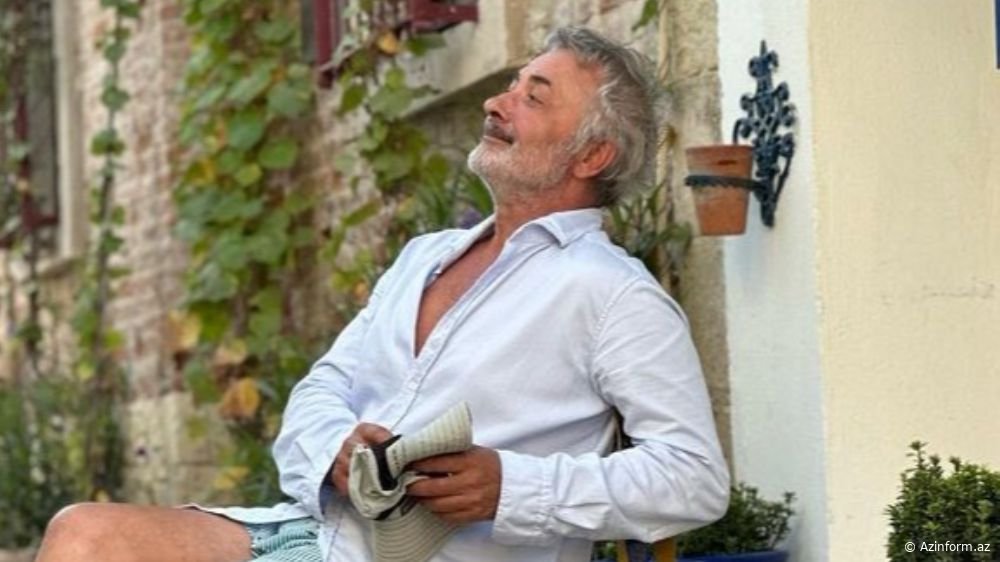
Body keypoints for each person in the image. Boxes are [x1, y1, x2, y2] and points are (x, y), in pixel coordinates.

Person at [35, 26, 729, 562]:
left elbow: (693, 478)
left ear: (592, 155)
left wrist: (512, 488)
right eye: (511, 85)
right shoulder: (425, 257)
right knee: (84, 536)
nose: (495, 103)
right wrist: (335, 450)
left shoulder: (612, 293)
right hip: (316, 537)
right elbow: (319, 392)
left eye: (533, 96)